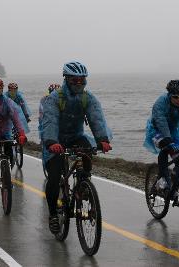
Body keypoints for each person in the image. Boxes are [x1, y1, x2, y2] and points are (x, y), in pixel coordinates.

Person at [40, 61, 112, 234]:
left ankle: (83, 184)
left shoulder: (88, 98)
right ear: (66, 79)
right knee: (55, 177)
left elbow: (97, 119)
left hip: (76, 137)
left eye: (82, 80)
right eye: (75, 80)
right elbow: (49, 121)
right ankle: (53, 216)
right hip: (55, 142)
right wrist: (51, 142)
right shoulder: (54, 98)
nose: (79, 84)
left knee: (87, 152)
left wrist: (103, 139)